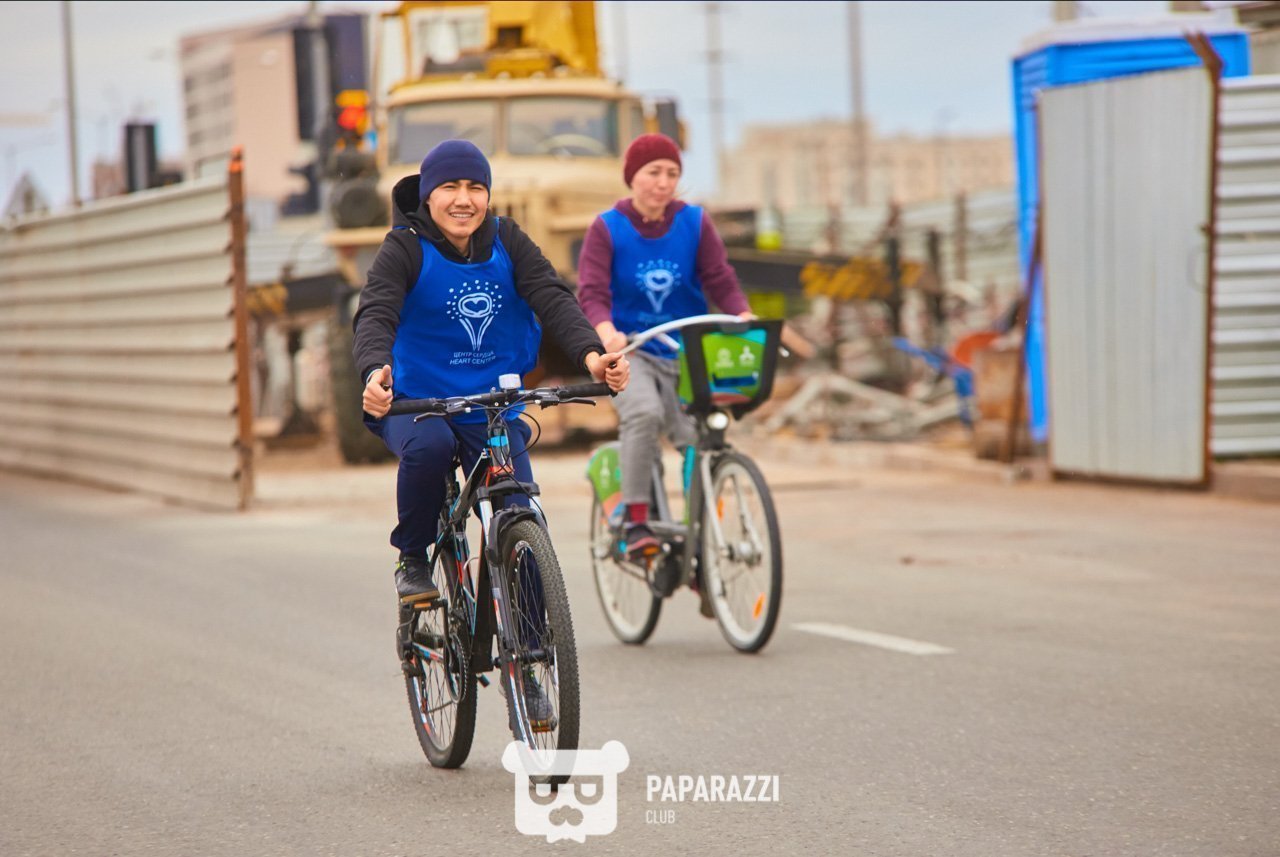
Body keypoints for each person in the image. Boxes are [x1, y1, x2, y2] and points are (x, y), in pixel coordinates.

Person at [353, 139, 629, 611]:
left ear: (487, 195)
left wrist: (593, 356)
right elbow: (376, 313)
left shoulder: (509, 239)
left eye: (475, 187)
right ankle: (413, 559)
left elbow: (552, 297)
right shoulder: (404, 248)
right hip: (418, 402)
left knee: (520, 513)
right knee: (431, 448)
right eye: (450, 187)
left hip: (492, 406)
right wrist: (373, 372)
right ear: (428, 195)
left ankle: (534, 638)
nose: (464, 199)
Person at [576, 133, 753, 563]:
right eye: (653, 172)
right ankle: (637, 521)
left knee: (697, 434)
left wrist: (742, 315)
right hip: (634, 350)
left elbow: (719, 278)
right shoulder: (607, 228)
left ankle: (697, 525)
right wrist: (606, 331)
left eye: (672, 173)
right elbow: (592, 292)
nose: (664, 182)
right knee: (644, 413)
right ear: (632, 177)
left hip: (688, 350)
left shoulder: (695, 223)